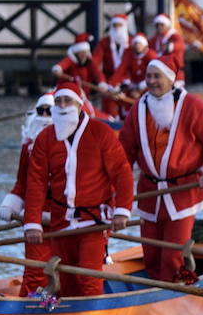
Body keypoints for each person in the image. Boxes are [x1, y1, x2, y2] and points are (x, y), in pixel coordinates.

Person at [20, 82, 134, 297]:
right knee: (67, 282)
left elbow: (122, 173)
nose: (62, 106)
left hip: (93, 221)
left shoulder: (101, 132)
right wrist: (33, 222)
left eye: (67, 101)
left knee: (88, 279)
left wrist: (122, 211)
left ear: (80, 105)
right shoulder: (45, 138)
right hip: (60, 221)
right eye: (58, 101)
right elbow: (35, 182)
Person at [117, 60, 203, 282]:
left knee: (172, 255)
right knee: (151, 255)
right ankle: (154, 297)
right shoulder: (138, 108)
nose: (151, 81)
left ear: (170, 79)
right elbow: (124, 152)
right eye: (149, 76)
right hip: (149, 193)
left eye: (157, 76)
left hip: (183, 192)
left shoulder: (192, 106)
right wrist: (115, 189)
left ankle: (173, 291)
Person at [0, 92, 56, 295]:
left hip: (64, 219)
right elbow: (21, 183)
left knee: (65, 271)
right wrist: (10, 205)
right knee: (34, 271)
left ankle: (61, 308)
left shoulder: (72, 145)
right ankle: (29, 306)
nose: (45, 115)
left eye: (50, 111)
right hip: (35, 219)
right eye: (41, 110)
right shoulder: (27, 148)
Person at [94, 14, 132, 118]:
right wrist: (101, 81)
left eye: (119, 25)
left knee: (128, 113)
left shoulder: (133, 43)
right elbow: (95, 63)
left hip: (127, 84)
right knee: (108, 113)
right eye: (114, 25)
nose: (117, 28)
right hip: (108, 83)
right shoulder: (104, 43)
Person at [109, 33, 158, 102]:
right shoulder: (129, 55)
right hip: (133, 87)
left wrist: (141, 88)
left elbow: (156, 73)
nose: (137, 46)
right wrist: (111, 85)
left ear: (144, 45)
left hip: (149, 87)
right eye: (136, 43)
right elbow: (120, 71)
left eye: (140, 44)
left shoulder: (151, 55)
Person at [149, 12, 187, 83]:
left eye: (162, 25)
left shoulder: (175, 36)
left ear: (167, 25)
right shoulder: (155, 39)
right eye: (157, 25)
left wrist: (170, 46)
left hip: (175, 75)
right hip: (160, 74)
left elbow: (181, 45)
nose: (159, 27)